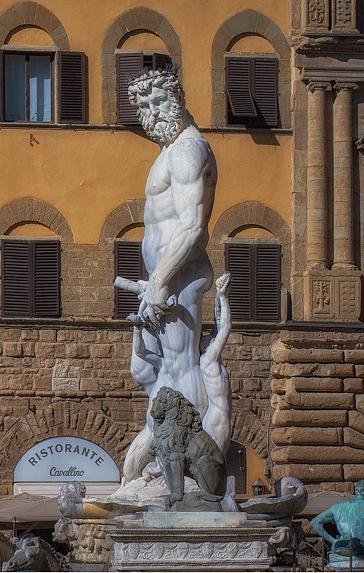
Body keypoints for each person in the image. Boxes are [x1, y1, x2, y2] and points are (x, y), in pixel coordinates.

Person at [114, 68, 221, 486]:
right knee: (148, 370)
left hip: (177, 275)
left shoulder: (188, 150)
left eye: (158, 101)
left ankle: (191, 464)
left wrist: (160, 280)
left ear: (178, 97)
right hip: (161, 276)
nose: (151, 113)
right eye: (142, 106)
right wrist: (154, 278)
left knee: (181, 364)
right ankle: (163, 446)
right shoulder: (169, 151)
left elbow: (193, 224)